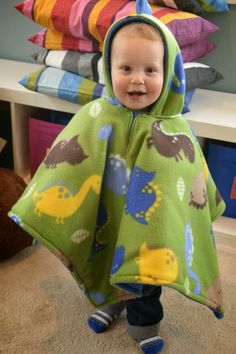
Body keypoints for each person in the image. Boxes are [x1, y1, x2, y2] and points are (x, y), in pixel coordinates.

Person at [9, 1, 225, 353]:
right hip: (107, 212)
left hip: (148, 225)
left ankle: (145, 321)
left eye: (150, 70)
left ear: (169, 73)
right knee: (105, 258)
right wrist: (38, 205)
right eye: (125, 67)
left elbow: (190, 174)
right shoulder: (96, 114)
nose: (138, 78)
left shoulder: (175, 128)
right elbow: (66, 159)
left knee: (144, 275)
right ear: (109, 70)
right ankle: (106, 302)